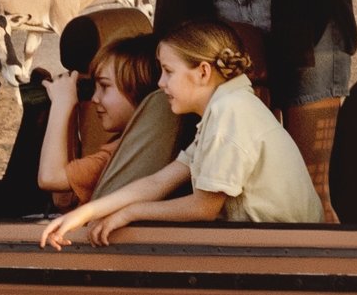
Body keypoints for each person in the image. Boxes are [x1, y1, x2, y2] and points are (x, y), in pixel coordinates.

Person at [37, 24, 322, 242]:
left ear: (202, 72)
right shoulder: (222, 110)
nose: (160, 83)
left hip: (283, 248)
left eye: (168, 71)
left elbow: (203, 207)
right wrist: (86, 213)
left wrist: (130, 213)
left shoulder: (231, 113)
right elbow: (159, 182)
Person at [0, 11, 166, 220]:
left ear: (141, 92)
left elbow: (49, 178)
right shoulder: (133, 145)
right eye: (93, 88)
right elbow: (63, 200)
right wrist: (71, 115)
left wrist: (61, 105)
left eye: (105, 87)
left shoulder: (118, 156)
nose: (95, 99)